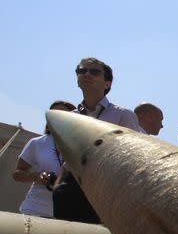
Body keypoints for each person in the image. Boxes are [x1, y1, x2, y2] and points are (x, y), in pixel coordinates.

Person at [53, 57, 143, 223]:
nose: (86, 74)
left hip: (105, 186)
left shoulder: (124, 115)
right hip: (70, 187)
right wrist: (58, 186)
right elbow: (66, 159)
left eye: (94, 72)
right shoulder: (69, 118)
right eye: (81, 71)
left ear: (107, 84)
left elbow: (133, 155)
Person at [13, 100, 76, 217]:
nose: (56, 117)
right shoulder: (37, 143)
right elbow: (17, 174)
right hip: (35, 209)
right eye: (53, 114)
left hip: (66, 214)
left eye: (62, 114)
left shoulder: (79, 146)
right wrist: (37, 176)